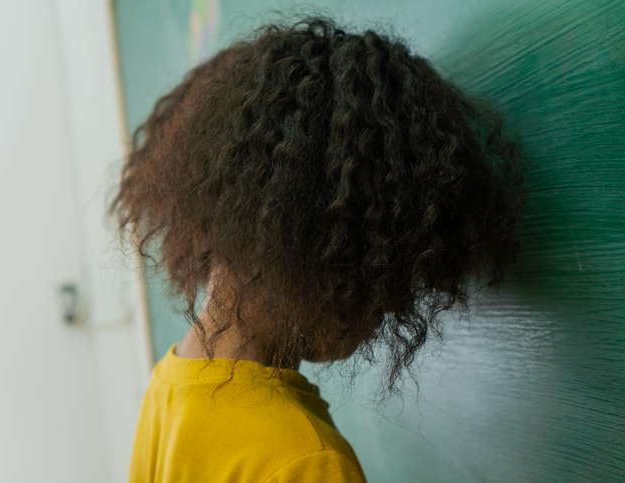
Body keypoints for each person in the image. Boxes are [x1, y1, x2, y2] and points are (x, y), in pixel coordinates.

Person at [111, 15, 528, 483]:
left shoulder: (168, 386)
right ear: (317, 243)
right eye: (385, 267)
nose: (391, 303)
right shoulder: (307, 462)